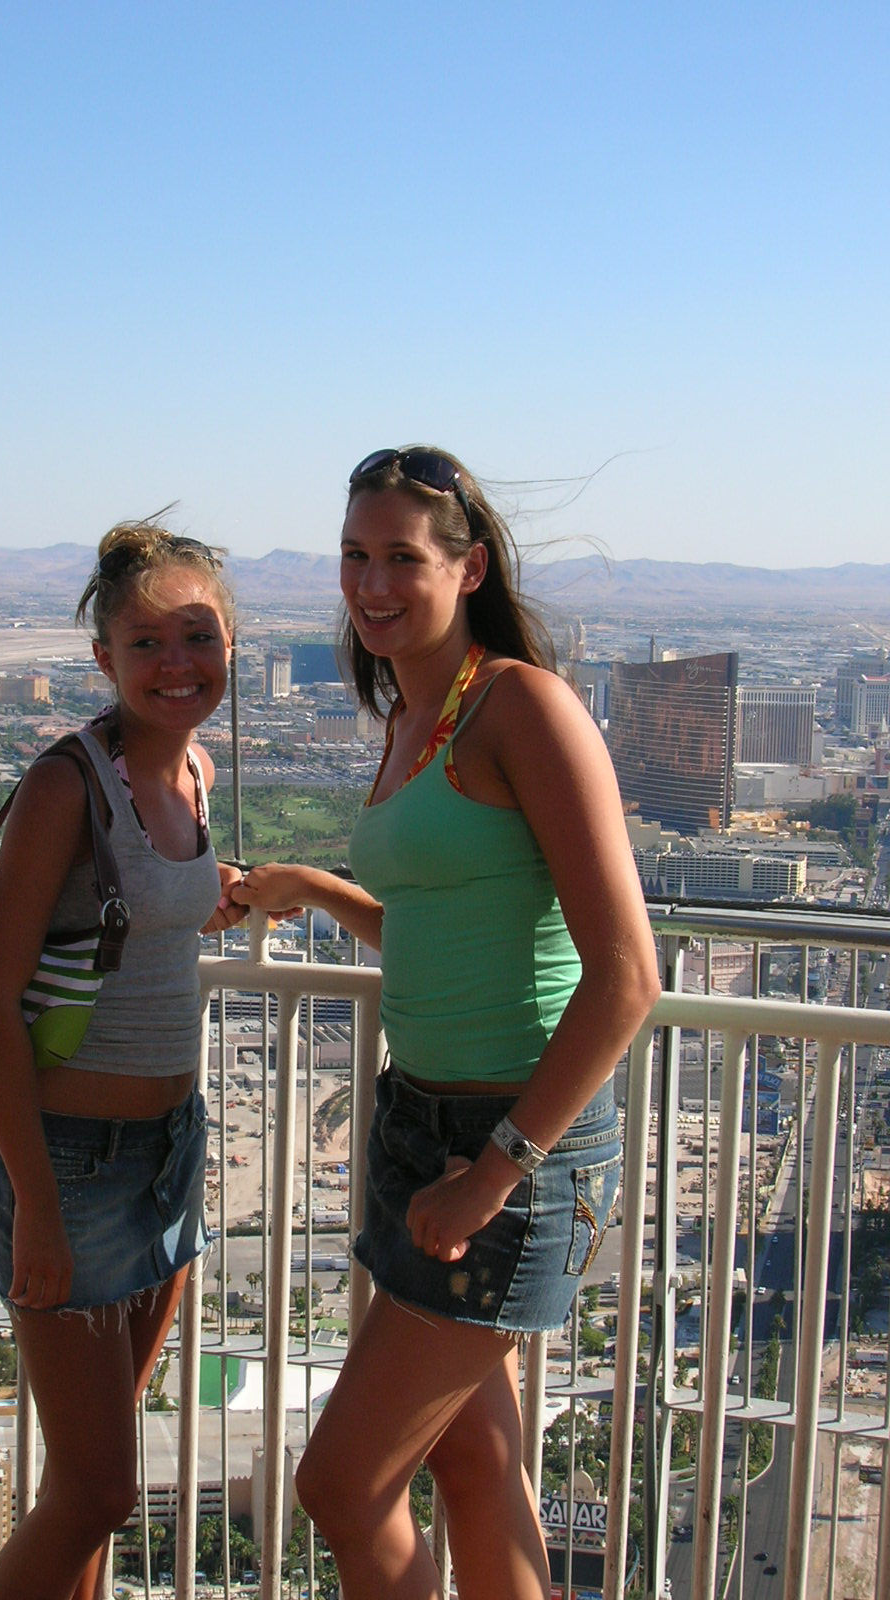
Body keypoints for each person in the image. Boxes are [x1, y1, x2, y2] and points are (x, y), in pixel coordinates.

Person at [230, 447, 659, 1600]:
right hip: (421, 1120)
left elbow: (627, 974)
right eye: (355, 556)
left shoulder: (523, 706)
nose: (372, 583)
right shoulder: (411, 712)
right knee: (475, 1459)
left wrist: (500, 1172)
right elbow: (436, 928)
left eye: (401, 558)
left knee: (339, 1481)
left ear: (467, 568)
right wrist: (313, 891)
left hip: (516, 1144)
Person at [0, 519, 244, 1600]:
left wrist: (219, 899)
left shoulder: (193, 772)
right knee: (98, 1491)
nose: (177, 664)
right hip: (68, 1166)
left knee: (88, 1474)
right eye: (146, 643)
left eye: (198, 637)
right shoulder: (66, 787)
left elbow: (137, 918)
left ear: (231, 645)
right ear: (105, 660)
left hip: (168, 1150)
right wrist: (33, 1200)